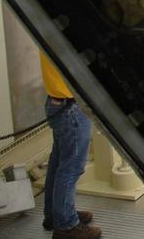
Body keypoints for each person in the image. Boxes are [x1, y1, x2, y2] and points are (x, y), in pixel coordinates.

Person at [39, 54, 100, 238]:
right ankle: (66, 225)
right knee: (71, 168)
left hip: (56, 102)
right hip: (71, 107)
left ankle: (55, 214)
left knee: (58, 162)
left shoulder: (45, 31)